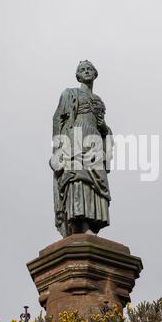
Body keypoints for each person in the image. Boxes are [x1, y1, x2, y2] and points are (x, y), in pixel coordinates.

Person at [49, 60, 113, 237]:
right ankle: (80, 223)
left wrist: (104, 127)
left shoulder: (99, 101)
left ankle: (92, 222)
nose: (86, 72)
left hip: (95, 142)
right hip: (75, 138)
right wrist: (57, 149)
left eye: (89, 69)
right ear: (77, 75)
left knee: (95, 182)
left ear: (95, 74)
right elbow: (57, 120)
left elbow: (105, 130)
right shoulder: (70, 94)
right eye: (82, 70)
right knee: (78, 178)